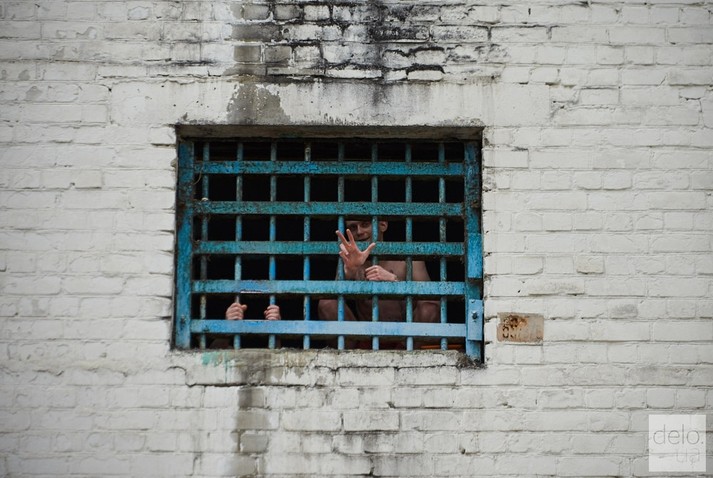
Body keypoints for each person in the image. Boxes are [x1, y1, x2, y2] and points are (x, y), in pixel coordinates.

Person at [317, 219, 439, 324]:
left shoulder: (408, 259)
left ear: (383, 225)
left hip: (409, 335)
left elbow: (432, 303)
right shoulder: (349, 260)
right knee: (327, 303)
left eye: (365, 224)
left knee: (429, 309)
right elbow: (331, 301)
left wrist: (395, 282)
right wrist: (348, 273)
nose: (359, 232)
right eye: (353, 227)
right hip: (365, 336)